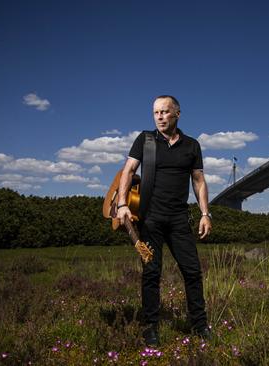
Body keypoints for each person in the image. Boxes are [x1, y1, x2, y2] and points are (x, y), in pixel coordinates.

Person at [116, 95, 212, 347]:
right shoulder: (145, 140)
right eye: (156, 112)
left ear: (177, 114)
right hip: (150, 219)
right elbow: (128, 171)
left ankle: (200, 326)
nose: (159, 117)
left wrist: (205, 214)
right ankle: (150, 328)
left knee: (192, 272)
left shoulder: (192, 145)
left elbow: (199, 181)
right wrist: (122, 204)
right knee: (151, 273)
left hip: (179, 219)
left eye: (165, 112)